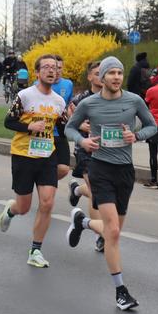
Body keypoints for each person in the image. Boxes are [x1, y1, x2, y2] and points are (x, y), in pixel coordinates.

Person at [65, 56, 157, 310]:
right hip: (100, 168)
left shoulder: (134, 100)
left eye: (120, 72)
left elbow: (153, 126)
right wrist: (83, 141)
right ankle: (121, 291)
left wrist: (136, 136)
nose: (116, 77)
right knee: (113, 232)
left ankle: (82, 221)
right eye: (111, 72)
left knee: (113, 230)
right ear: (102, 77)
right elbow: (69, 129)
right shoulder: (90, 103)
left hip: (125, 171)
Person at [0, 54, 65, 268]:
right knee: (24, 207)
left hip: (47, 156)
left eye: (54, 67)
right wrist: (29, 127)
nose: (51, 71)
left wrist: (79, 129)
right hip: (23, 155)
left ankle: (35, 250)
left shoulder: (59, 101)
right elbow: (8, 121)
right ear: (37, 73)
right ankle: (11, 210)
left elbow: (62, 130)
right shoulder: (25, 96)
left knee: (47, 202)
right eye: (46, 67)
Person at [67, 61, 106, 252]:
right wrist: (81, 125)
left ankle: (76, 190)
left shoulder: (113, 97)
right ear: (90, 76)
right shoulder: (80, 99)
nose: (101, 76)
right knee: (97, 193)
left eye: (103, 73)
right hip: (85, 150)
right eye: (97, 73)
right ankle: (100, 237)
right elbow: (67, 119)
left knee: (96, 190)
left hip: (108, 151)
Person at [51, 55, 73, 180]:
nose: (57, 71)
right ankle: (46, 187)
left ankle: (46, 182)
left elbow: (69, 106)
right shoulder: (37, 84)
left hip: (60, 132)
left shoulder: (68, 84)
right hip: (44, 133)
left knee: (64, 169)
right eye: (54, 67)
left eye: (60, 68)